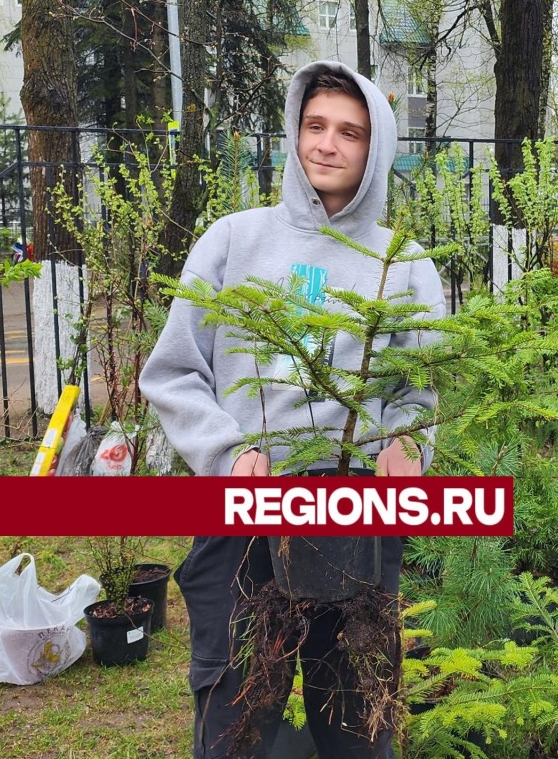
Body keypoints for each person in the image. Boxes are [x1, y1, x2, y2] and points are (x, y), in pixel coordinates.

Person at [140, 61, 445, 759]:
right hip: (243, 516)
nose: (327, 145)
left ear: (377, 149)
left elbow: (420, 390)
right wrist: (228, 453)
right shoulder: (232, 242)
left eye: (350, 132)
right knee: (236, 717)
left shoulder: (404, 263)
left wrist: (407, 445)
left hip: (355, 520)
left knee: (357, 719)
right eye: (315, 126)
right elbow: (176, 372)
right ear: (294, 132)